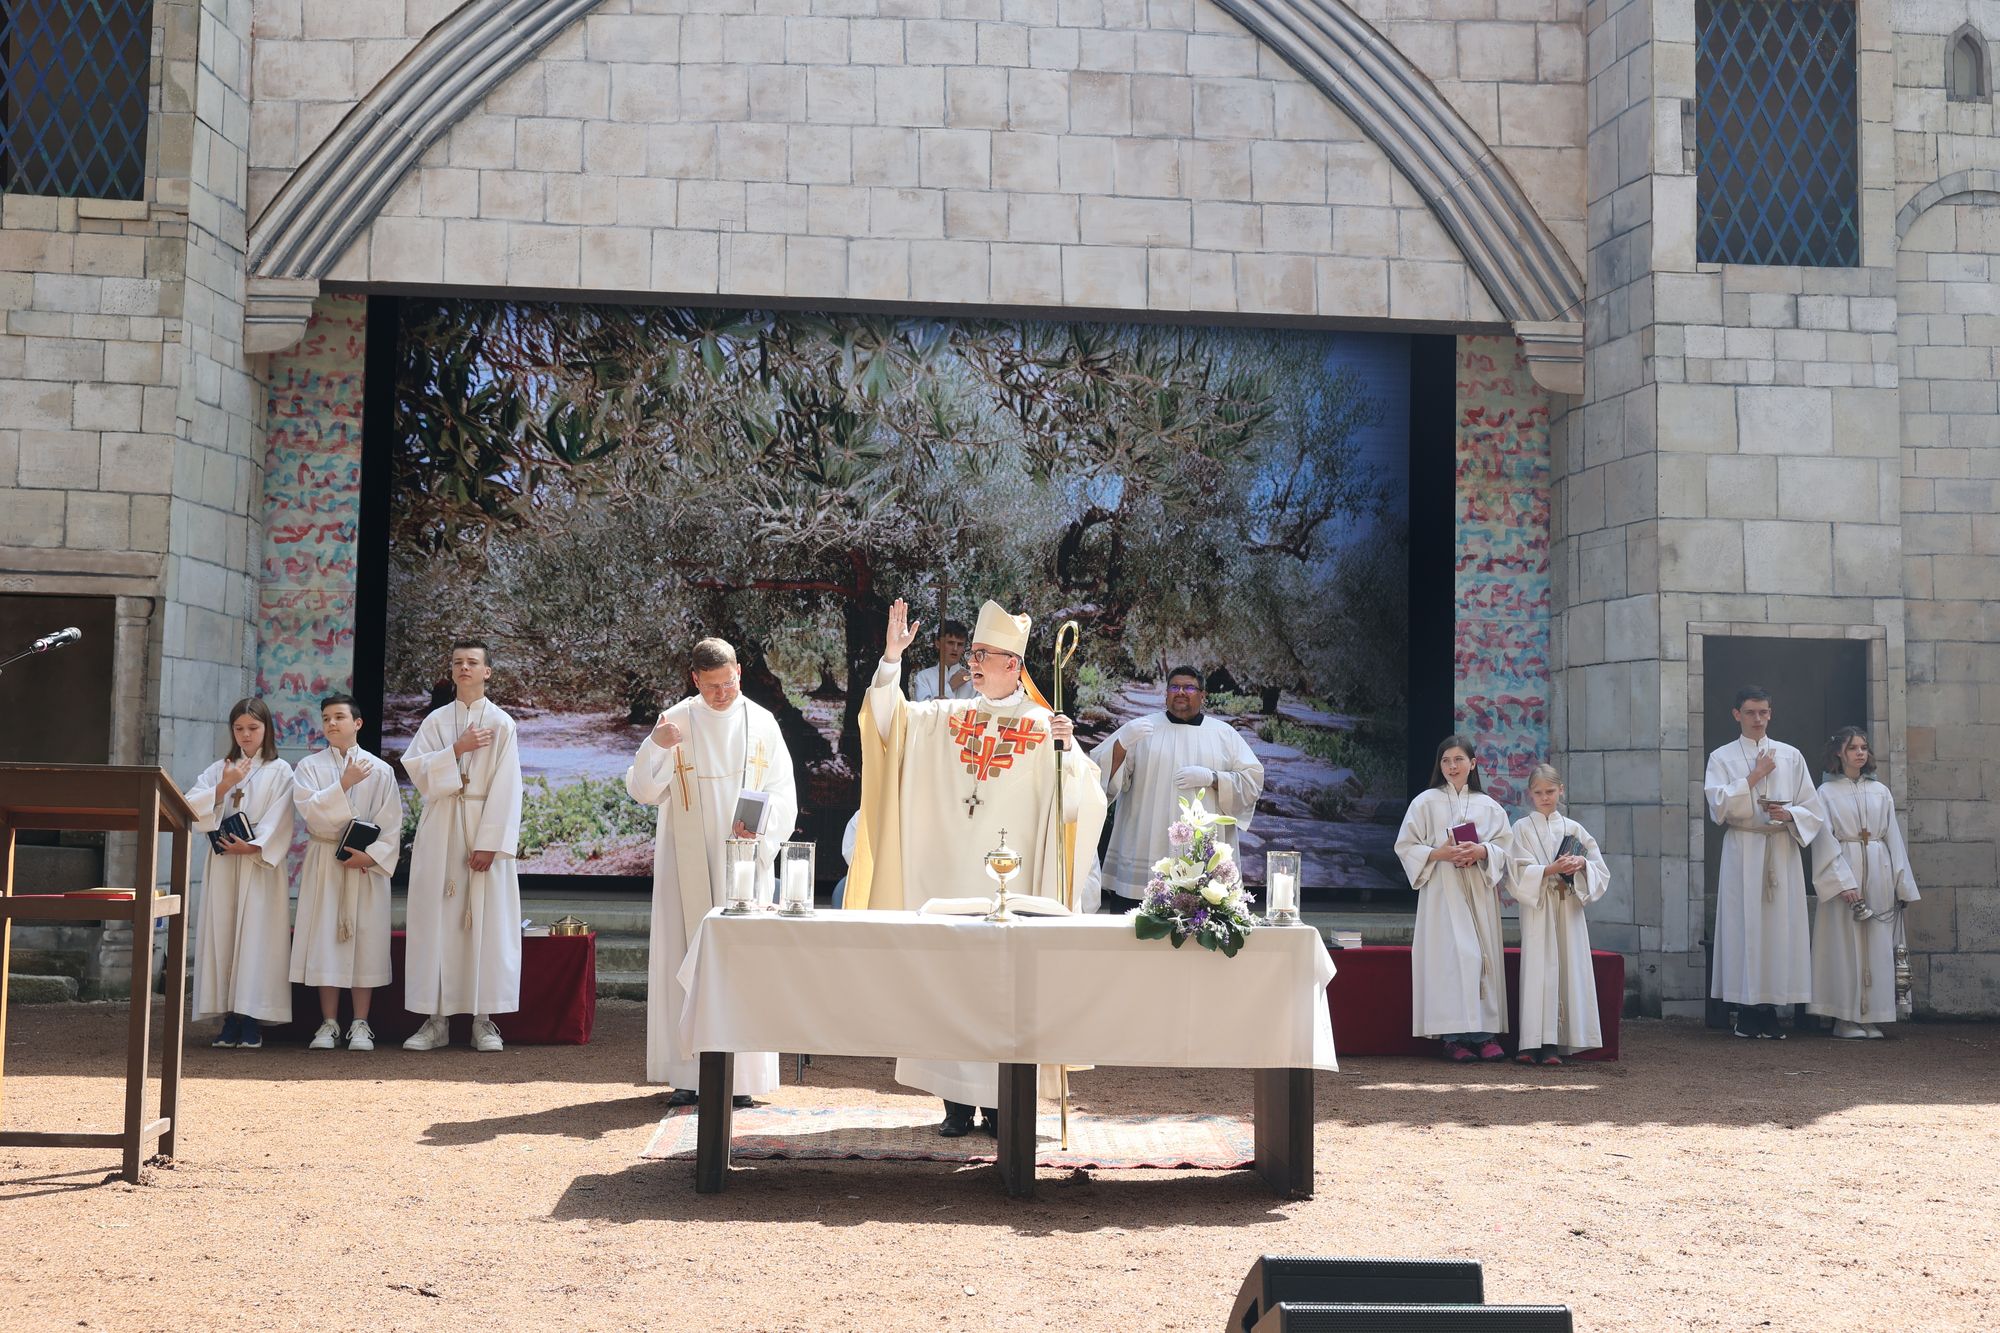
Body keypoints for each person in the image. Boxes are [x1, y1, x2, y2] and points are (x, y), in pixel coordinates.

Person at [848, 597, 1107, 1137]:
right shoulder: (948, 716)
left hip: (1013, 889)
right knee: (952, 988)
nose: (972, 663)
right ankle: (956, 1103)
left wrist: (1069, 754)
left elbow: (1081, 804)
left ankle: (1000, 1104)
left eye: (982, 655)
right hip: (951, 879)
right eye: (972, 654)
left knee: (1003, 991)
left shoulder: (1044, 725)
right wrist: (892, 659)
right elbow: (888, 722)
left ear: (1013, 664)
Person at [626, 637, 797, 1106]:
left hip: (742, 856)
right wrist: (655, 745)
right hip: (686, 861)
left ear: (739, 671)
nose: (722, 694)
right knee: (682, 953)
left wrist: (760, 825)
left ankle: (741, 1079)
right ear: (694, 679)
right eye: (711, 686)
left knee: (742, 961)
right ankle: (687, 1073)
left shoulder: (761, 722)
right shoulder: (675, 721)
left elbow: (783, 792)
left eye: (728, 683)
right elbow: (642, 790)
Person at [399, 640, 524, 1053]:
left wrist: (490, 843)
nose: (464, 668)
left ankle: (482, 1021)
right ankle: (435, 1020)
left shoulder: (502, 723)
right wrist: (457, 749)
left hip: (481, 822)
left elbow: (509, 787)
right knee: (436, 919)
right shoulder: (436, 721)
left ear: (487, 671)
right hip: (442, 826)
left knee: (484, 922)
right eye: (457, 663)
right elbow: (416, 770)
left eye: (472, 662)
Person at [1703, 685, 1823, 1040]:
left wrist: (1790, 814)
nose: (1758, 719)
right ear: (1736, 714)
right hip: (1743, 848)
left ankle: (1771, 1009)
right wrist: (1754, 776)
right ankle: (1746, 1010)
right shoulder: (1721, 757)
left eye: (1763, 712)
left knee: (1779, 928)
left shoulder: (1791, 755)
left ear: (1771, 714)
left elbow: (1813, 808)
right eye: (1750, 712)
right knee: (1744, 926)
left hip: (1780, 849)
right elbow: (1719, 808)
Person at [1090, 666, 1264, 902]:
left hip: (1201, 846)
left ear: (1203, 695)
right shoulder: (1140, 730)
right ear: (1166, 694)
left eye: (1189, 687)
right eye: (1174, 687)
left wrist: (1213, 778)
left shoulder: (1224, 734)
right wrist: (1121, 743)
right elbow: (1096, 777)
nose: (1181, 692)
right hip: (1146, 843)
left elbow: (1252, 782)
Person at [290, 693, 404, 1051]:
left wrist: (370, 857)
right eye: (326, 718)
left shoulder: (380, 769)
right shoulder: (309, 767)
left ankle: (360, 1023)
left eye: (339, 717)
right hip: (327, 859)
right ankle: (328, 1023)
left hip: (365, 866)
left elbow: (391, 823)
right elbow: (311, 812)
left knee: (364, 939)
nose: (331, 724)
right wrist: (343, 783)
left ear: (357, 723)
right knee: (326, 938)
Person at [1394, 735, 1511, 1062]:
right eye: (1446, 760)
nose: (1452, 766)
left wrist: (1482, 851)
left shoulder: (1489, 806)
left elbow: (1506, 848)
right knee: (1449, 961)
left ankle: (1484, 1035)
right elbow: (1405, 846)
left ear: (1472, 764)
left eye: (1459, 759)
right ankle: (1453, 1038)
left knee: (1478, 959)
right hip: (1442, 893)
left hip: (1477, 892)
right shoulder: (1425, 803)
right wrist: (1438, 853)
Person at [186, 698, 295, 1050]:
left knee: (256, 937)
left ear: (266, 729)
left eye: (253, 728)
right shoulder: (220, 768)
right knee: (224, 934)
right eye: (239, 728)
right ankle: (228, 1018)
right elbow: (190, 807)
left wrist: (255, 846)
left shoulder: (280, 770)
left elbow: (282, 817)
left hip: (257, 864)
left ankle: (250, 1018)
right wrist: (223, 786)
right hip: (224, 863)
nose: (246, 735)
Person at [1808, 727, 1919, 1039]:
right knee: (1845, 945)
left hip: (1879, 869)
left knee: (1878, 945)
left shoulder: (1880, 791)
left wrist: (1901, 883)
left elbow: (1893, 837)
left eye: (1863, 747)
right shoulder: (1826, 793)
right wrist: (1842, 882)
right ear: (1838, 753)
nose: (1860, 753)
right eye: (1852, 747)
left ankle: (1872, 1016)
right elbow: (1823, 840)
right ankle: (1845, 1018)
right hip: (1846, 868)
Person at [1508, 764, 1607, 1065]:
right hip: (1538, 907)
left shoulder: (1574, 829)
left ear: (1561, 790)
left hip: (1567, 907)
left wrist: (1581, 864)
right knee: (1539, 970)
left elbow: (1600, 869)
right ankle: (1530, 1042)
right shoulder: (1521, 828)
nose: (1545, 797)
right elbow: (1515, 871)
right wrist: (1551, 869)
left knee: (1565, 967)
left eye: (1550, 791)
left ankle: (1555, 1042)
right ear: (1530, 794)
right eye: (1538, 792)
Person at [910, 618, 975, 703]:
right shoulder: (924, 677)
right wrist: (951, 686)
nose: (955, 648)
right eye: (950, 643)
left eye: (960, 644)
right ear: (938, 644)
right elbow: (923, 708)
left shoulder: (973, 679)